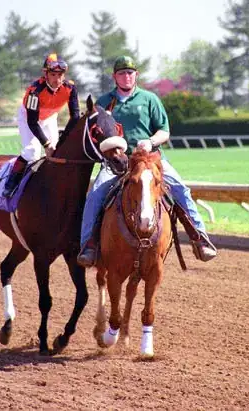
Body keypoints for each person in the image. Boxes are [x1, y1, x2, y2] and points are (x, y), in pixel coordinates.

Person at [77, 55, 217, 267]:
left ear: (136, 75)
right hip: (116, 162)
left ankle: (200, 238)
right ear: (115, 77)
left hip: (150, 160)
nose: (126, 76)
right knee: (95, 194)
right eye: (122, 73)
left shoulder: (150, 99)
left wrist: (151, 142)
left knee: (180, 188)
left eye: (130, 73)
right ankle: (88, 245)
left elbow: (165, 131)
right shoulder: (104, 102)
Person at [3, 53, 80, 197]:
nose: (57, 79)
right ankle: (11, 182)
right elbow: (32, 122)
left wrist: (64, 138)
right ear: (46, 74)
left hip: (50, 117)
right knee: (32, 151)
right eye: (53, 75)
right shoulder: (35, 92)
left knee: (57, 151)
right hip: (29, 118)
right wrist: (46, 143)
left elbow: (75, 116)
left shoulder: (71, 88)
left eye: (60, 75)